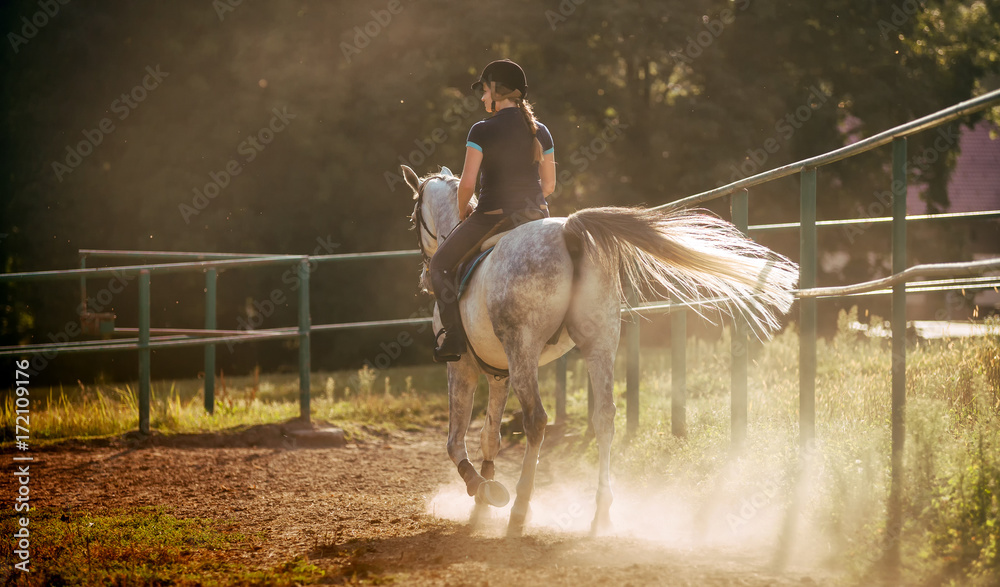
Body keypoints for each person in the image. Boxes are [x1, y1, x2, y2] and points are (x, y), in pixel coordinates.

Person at [429, 59, 557, 362]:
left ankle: (454, 339)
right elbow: (549, 185)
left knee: (439, 265)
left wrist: (463, 212)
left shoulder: (481, 130)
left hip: (493, 216)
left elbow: (467, 185)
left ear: (497, 91)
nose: (483, 97)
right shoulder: (541, 131)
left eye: (485, 91)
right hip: (538, 213)